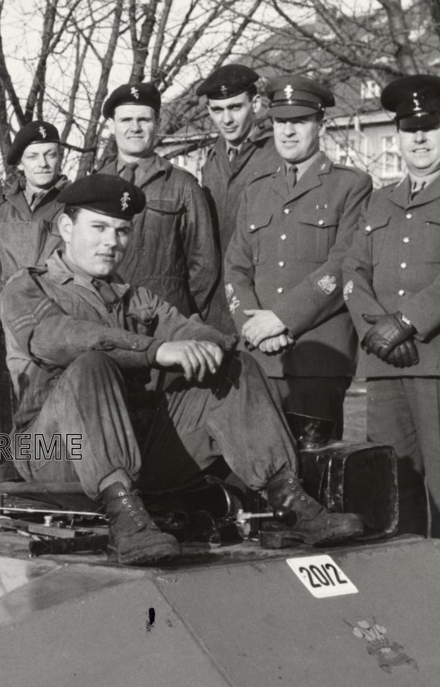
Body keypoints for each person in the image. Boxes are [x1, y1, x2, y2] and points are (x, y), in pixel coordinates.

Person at [2, 174, 365, 565]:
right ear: (66, 227)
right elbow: (56, 336)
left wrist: (208, 345)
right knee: (91, 364)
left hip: (132, 447)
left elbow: (192, 329)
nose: (112, 242)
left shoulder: (134, 296)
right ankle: (126, 521)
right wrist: (155, 350)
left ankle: (287, 503)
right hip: (46, 449)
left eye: (122, 231)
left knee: (232, 368)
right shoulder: (27, 286)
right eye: (99, 228)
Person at [343, 74, 440, 557]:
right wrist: (377, 328)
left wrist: (405, 321)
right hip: (386, 362)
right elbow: (353, 270)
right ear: (398, 136)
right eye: (410, 130)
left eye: (430, 128)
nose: (420, 139)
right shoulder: (379, 199)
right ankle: (407, 599)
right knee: (394, 487)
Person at [222, 76, 372, 437]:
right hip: (258, 357)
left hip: (317, 359)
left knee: (317, 480)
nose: (288, 132)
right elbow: (236, 267)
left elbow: (344, 265)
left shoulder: (351, 185)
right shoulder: (256, 191)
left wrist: (282, 318)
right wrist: (252, 326)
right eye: (280, 122)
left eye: (300, 121)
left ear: (320, 124)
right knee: (259, 475)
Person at [97, 82, 226, 329]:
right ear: (112, 126)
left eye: (143, 119)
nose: (135, 127)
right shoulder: (95, 186)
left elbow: (204, 263)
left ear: (156, 123)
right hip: (109, 322)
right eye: (125, 120)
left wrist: (180, 317)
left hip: (168, 322)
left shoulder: (183, 185)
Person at [0, 120, 68, 391]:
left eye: (50, 154)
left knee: (53, 427)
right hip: (6, 333)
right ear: (21, 164)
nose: (43, 163)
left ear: (60, 158)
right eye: (33, 156)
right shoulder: (3, 212)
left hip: (57, 331)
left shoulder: (76, 207)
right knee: (9, 423)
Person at [195, 63, 280, 252]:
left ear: (255, 104)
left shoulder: (278, 154)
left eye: (235, 107)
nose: (227, 120)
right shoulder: (212, 158)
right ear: (209, 111)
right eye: (218, 110)